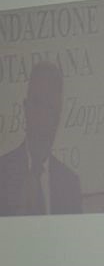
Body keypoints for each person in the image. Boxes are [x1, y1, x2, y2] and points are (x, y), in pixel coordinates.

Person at [0, 62, 82, 216]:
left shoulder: (70, 185)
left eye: (51, 108)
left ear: (58, 117)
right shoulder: (2, 174)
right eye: (37, 104)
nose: (43, 117)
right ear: (25, 108)